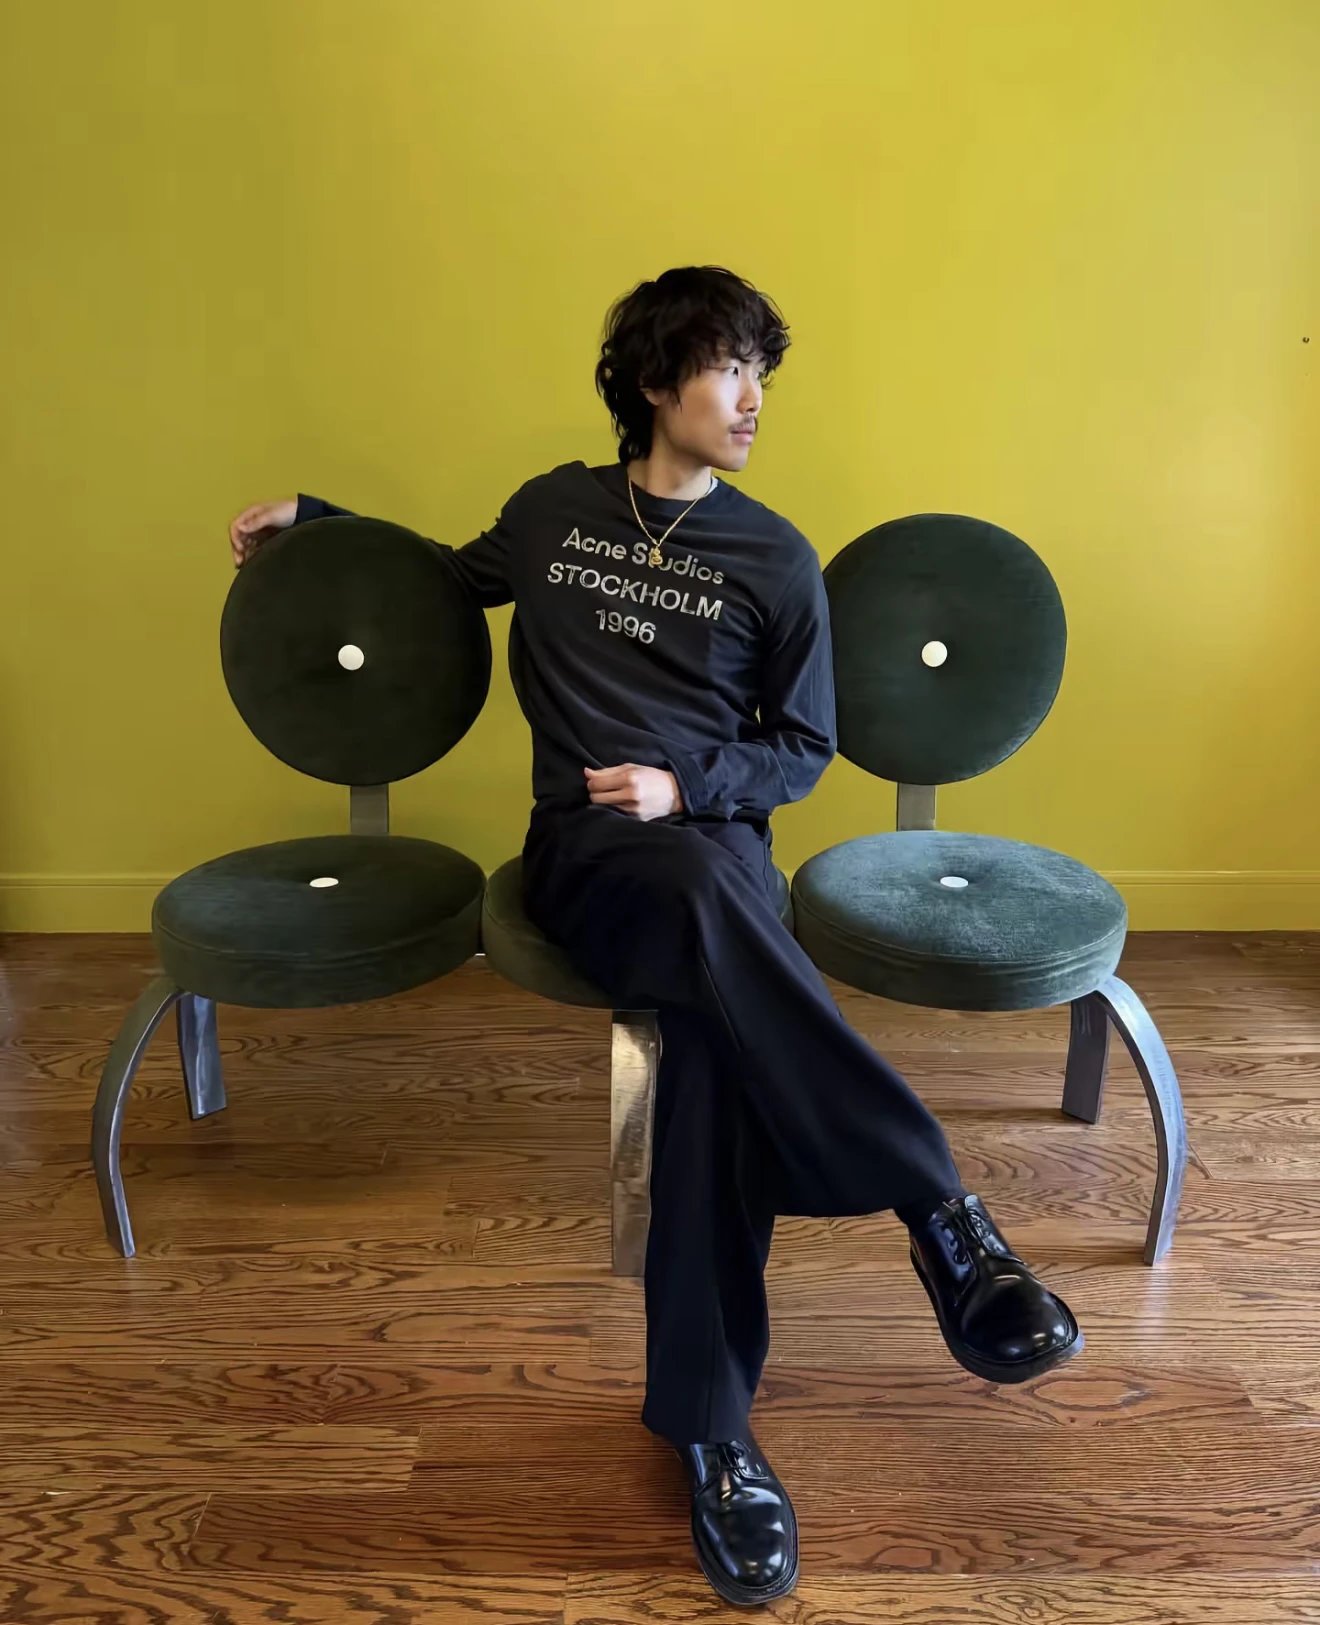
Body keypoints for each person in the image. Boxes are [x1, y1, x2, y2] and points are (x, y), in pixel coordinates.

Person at [228, 265, 1083, 1607]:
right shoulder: (553, 512)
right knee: (695, 912)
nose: (753, 400)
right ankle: (937, 1205)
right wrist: (316, 525)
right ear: (651, 382)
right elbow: (431, 586)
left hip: (716, 859)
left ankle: (713, 1431)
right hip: (590, 861)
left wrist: (689, 785)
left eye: (762, 374)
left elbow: (803, 750)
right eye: (731, 368)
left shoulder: (775, 556)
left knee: (707, 1072)